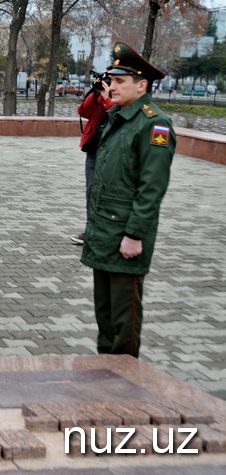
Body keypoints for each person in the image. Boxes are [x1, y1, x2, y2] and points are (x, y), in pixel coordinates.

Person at [81, 42, 175, 358]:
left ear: (142, 85)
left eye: (120, 81)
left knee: (124, 317)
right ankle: (104, 374)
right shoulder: (119, 117)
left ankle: (125, 382)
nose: (112, 86)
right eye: (112, 80)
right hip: (103, 231)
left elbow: (151, 188)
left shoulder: (153, 124)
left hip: (125, 237)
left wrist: (135, 235)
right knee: (104, 314)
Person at [71, 71, 114, 244]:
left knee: (108, 193)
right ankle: (91, 230)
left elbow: (118, 117)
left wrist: (107, 97)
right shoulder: (99, 95)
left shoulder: (121, 99)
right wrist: (94, 92)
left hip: (111, 150)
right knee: (91, 190)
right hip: (94, 148)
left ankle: (106, 232)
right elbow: (83, 111)